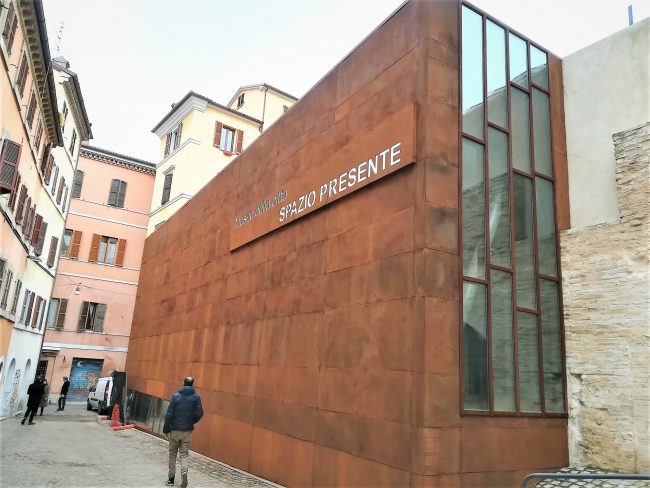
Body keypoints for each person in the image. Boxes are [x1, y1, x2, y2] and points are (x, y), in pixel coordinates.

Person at [163, 377, 203, 488]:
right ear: (192, 384)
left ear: (183, 383)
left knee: (172, 453)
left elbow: (169, 414)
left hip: (175, 429)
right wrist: (191, 421)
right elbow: (200, 413)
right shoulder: (196, 397)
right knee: (184, 454)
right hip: (187, 431)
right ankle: (184, 472)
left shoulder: (175, 396)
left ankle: (171, 479)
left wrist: (166, 429)